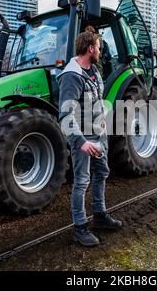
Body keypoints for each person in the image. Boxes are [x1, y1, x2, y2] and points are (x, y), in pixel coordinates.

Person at [58, 31, 122, 247]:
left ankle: (100, 215)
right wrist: (81, 142)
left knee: (102, 172)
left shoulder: (93, 70)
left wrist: (102, 116)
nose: (101, 50)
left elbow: (96, 99)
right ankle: (79, 228)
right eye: (99, 46)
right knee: (81, 181)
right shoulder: (71, 76)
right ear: (90, 49)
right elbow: (66, 116)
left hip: (98, 133)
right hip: (83, 138)